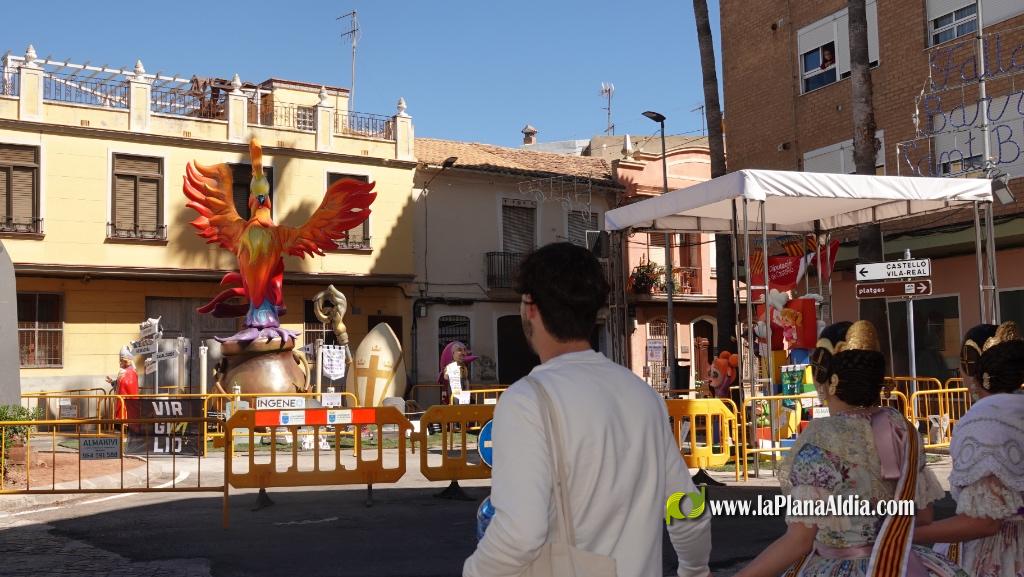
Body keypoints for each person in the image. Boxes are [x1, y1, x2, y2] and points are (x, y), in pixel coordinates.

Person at [464, 242, 711, 577]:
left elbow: (519, 534)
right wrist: (695, 570)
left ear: (530, 308)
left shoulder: (525, 401)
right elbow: (685, 507)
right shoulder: (644, 396)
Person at [735, 320, 966, 577]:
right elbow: (923, 516)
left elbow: (799, 540)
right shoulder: (901, 427)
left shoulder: (819, 440)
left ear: (824, 378)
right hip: (899, 564)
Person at [913, 321, 1024, 577]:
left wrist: (909, 535)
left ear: (968, 367)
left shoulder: (985, 418)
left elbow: (985, 522)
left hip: (1001, 554)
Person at [106, 345, 139, 425]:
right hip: (121, 400)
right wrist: (113, 382)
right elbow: (120, 383)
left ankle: (126, 431)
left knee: (127, 418)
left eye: (123, 360)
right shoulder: (123, 371)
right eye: (121, 360)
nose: (121, 363)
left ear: (129, 360)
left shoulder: (131, 371)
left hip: (128, 400)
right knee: (122, 418)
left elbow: (130, 384)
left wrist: (122, 381)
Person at [438, 340, 477, 405]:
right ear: (453, 353)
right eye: (459, 350)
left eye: (464, 350)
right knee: (455, 404)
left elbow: (466, 379)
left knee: (464, 406)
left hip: (464, 391)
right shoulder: (450, 366)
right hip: (454, 390)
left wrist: (467, 390)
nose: (463, 353)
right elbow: (446, 377)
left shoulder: (463, 366)